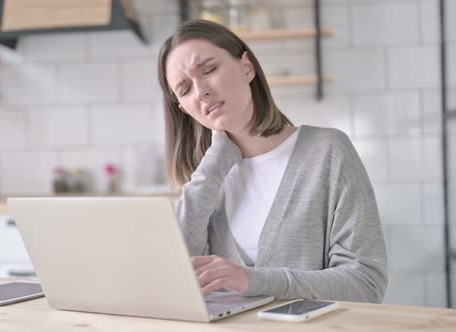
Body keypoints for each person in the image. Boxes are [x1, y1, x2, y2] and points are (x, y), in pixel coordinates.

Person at [157, 20, 388, 303]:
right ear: (184, 110)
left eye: (209, 70)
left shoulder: (328, 151)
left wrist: (251, 280)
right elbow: (172, 280)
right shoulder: (205, 179)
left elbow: (366, 284)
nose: (201, 91)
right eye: (184, 89)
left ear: (247, 67)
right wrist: (214, 162)